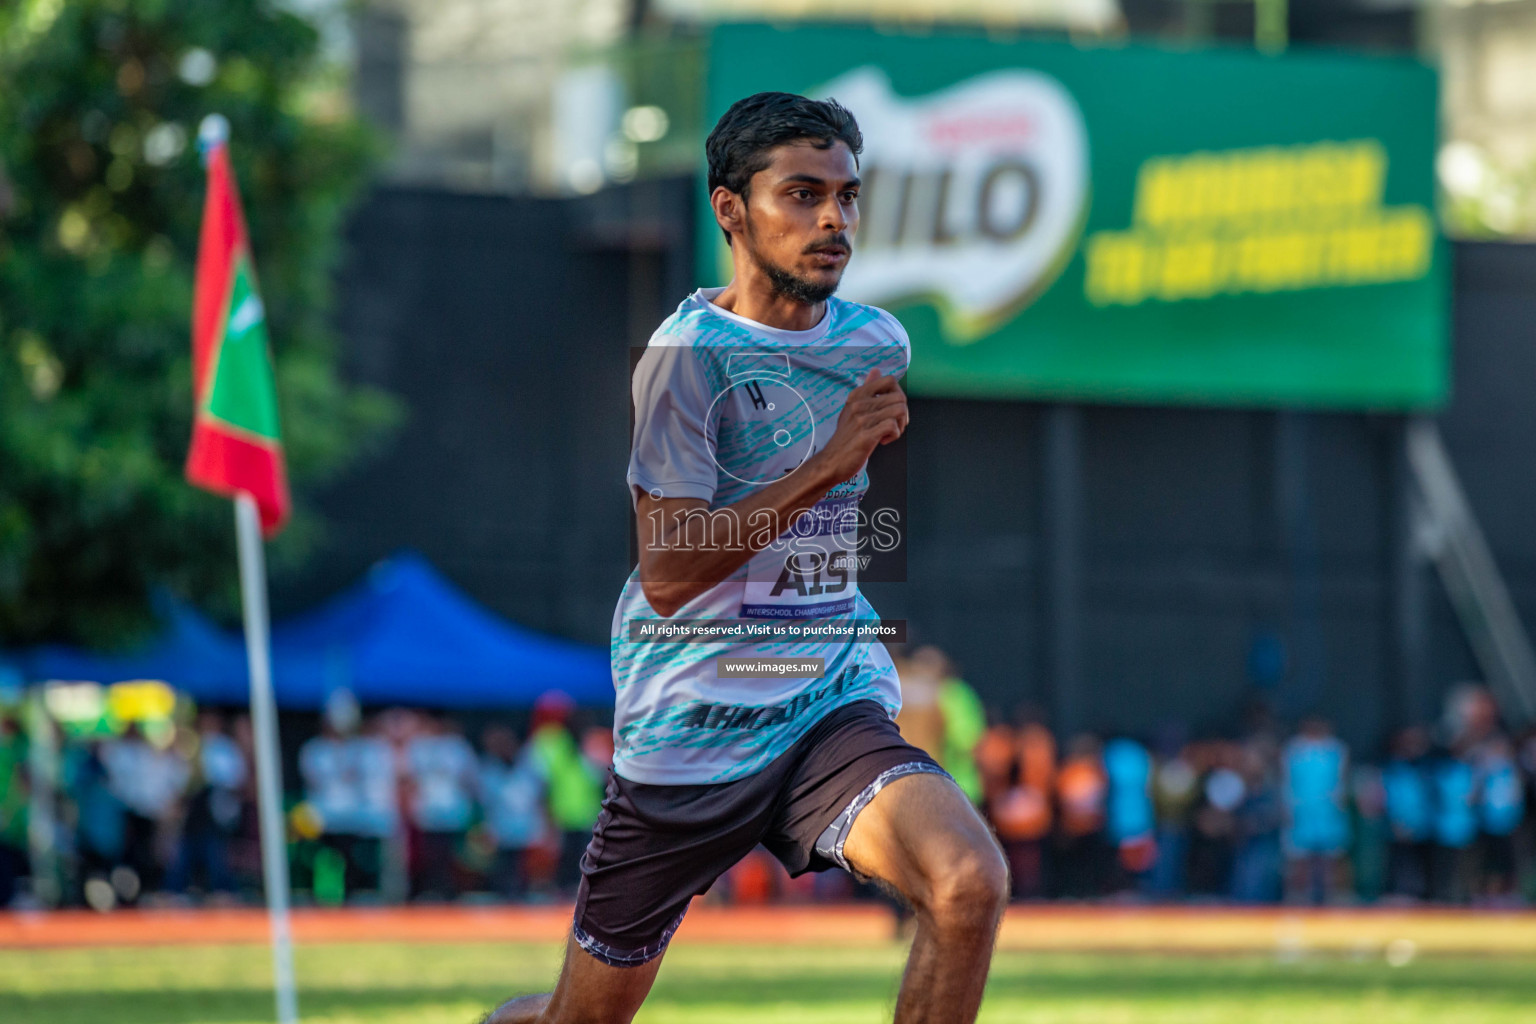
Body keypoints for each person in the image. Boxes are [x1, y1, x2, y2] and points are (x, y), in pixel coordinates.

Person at [482, 92, 1006, 1024]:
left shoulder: (877, 341)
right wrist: (833, 459)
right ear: (730, 210)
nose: (833, 221)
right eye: (801, 195)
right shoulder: (685, 359)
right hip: (690, 728)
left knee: (968, 882)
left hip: (823, 701)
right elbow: (672, 575)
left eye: (847, 196)